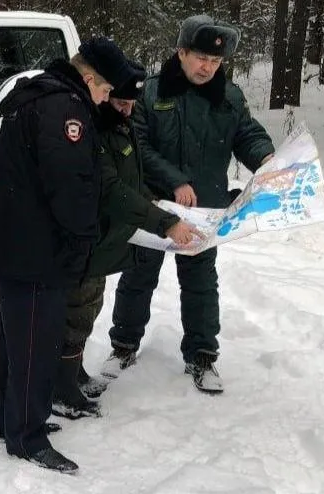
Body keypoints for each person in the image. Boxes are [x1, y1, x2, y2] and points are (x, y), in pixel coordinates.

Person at [0, 36, 139, 474]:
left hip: (17, 244)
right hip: (37, 250)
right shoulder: (64, 110)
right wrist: (84, 239)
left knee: (15, 345)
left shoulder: (39, 96)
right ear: (89, 78)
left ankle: (9, 422)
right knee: (35, 346)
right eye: (105, 90)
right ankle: (27, 439)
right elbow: (70, 188)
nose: (105, 99)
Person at [104, 15, 275, 394]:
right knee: (137, 277)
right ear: (180, 52)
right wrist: (174, 180)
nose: (207, 67)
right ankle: (123, 346)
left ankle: (202, 356)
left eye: (215, 61)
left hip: (204, 210)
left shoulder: (229, 96)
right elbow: (137, 145)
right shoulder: (150, 92)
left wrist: (265, 157)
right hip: (154, 205)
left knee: (200, 283)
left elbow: (247, 134)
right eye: (200, 58)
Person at [51, 63, 207, 417]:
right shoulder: (92, 129)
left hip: (104, 239)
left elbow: (130, 180)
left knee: (88, 307)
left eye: (132, 104)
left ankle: (73, 374)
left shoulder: (119, 124)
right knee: (75, 312)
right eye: (120, 102)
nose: (127, 109)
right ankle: (61, 389)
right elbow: (110, 189)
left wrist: (155, 204)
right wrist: (163, 222)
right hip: (86, 237)